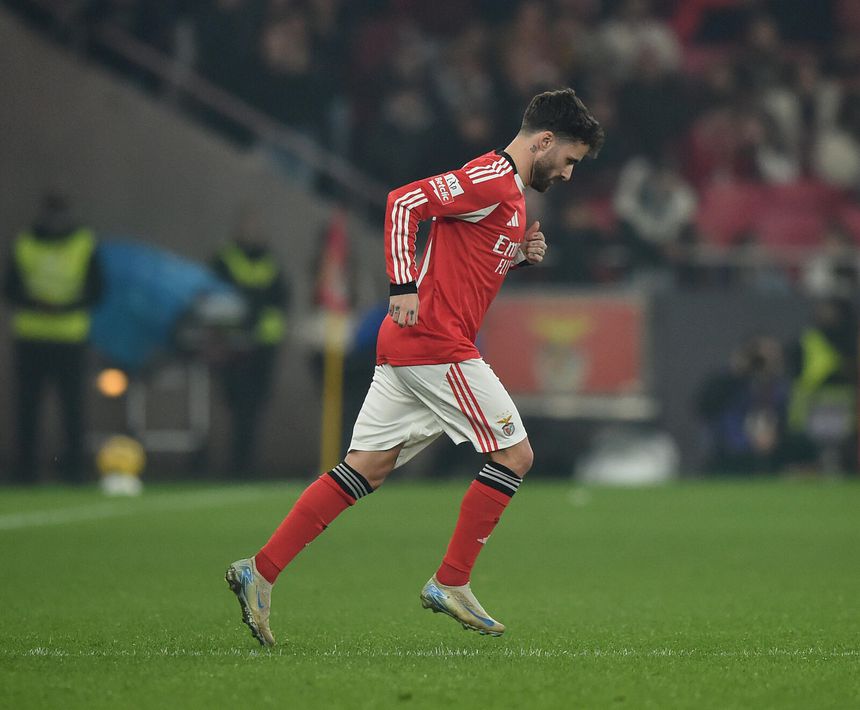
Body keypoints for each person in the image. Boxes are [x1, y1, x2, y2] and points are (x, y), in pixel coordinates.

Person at [225, 88, 604, 645]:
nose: (569, 174)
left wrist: (519, 254)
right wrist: (401, 284)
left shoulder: (510, 196)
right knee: (515, 453)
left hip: (411, 346)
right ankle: (451, 581)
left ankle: (259, 572)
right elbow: (405, 202)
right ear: (544, 141)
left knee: (364, 470)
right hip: (434, 343)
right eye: (569, 160)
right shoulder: (492, 178)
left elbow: (464, 257)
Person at [2, 192, 104, 483]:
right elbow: (9, 287)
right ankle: (25, 470)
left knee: (73, 408)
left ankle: (74, 469)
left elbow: (97, 289)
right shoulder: (25, 243)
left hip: (70, 338)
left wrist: (65, 307)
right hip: (31, 337)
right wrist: (37, 305)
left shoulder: (84, 242)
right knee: (27, 407)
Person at [211, 210, 289, 477]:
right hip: (233, 345)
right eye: (248, 226)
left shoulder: (271, 262)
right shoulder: (225, 260)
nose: (253, 232)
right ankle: (236, 464)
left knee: (254, 407)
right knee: (235, 405)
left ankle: (246, 465)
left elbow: (282, 299)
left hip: (264, 347)